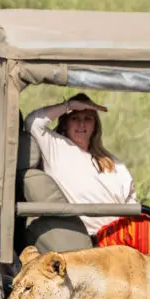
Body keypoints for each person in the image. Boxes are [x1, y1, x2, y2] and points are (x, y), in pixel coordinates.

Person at [25, 93, 137, 252]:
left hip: (121, 237)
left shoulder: (112, 162)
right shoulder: (55, 146)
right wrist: (69, 106)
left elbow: (131, 199)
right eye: (75, 118)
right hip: (90, 238)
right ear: (65, 122)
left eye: (88, 118)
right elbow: (32, 122)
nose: (81, 124)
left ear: (95, 125)